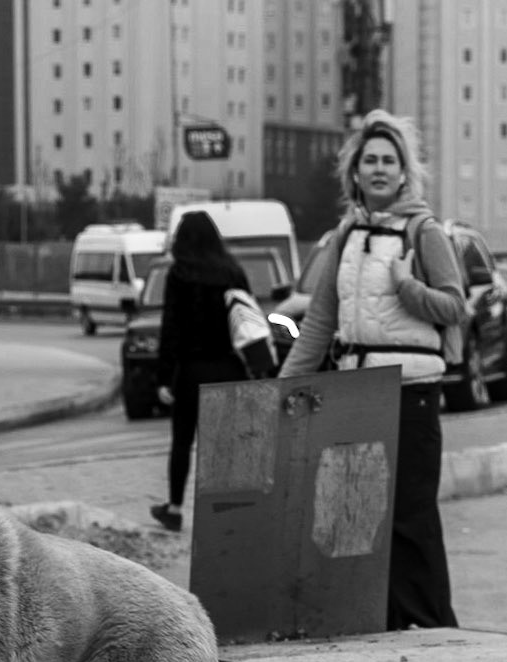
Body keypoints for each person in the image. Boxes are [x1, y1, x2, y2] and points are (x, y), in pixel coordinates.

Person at [282, 109, 463, 630]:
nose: (380, 169)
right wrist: (284, 387)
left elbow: (455, 307)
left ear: (405, 172)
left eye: (390, 160)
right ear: (355, 173)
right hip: (356, 393)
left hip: (412, 392)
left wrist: (407, 287)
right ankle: (377, 620)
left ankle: (432, 623)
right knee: (360, 514)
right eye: (370, 160)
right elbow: (320, 321)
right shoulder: (344, 236)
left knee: (411, 517)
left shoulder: (424, 232)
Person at [151, 210, 253, 532]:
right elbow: (248, 319)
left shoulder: (179, 275)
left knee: (182, 440)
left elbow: (171, 328)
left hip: (191, 370)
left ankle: (175, 507)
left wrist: (164, 376)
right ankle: (225, 508)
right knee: (226, 444)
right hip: (230, 366)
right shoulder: (233, 272)